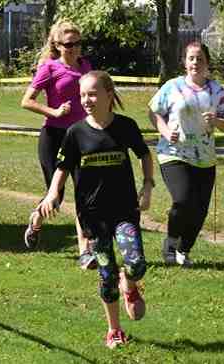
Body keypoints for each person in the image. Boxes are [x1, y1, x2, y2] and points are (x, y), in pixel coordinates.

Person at [38, 71, 154, 349]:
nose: (86, 100)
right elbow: (62, 168)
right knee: (106, 275)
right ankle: (114, 330)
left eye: (92, 94)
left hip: (125, 211)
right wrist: (53, 193)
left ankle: (131, 283)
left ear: (108, 94)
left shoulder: (126, 126)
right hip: (93, 217)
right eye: (82, 95)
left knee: (136, 263)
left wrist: (148, 186)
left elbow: (145, 155)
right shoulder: (75, 133)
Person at [148, 41, 224, 267]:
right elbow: (154, 112)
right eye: (191, 58)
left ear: (207, 62)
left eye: (200, 58)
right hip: (174, 152)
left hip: (205, 158)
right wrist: (166, 132)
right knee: (182, 199)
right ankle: (170, 246)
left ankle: (184, 250)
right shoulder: (172, 86)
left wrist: (216, 120)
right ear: (185, 62)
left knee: (199, 209)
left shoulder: (217, 90)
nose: (195, 62)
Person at [21, 20, 96, 269]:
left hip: (80, 138)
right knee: (57, 196)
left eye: (77, 43)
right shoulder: (49, 68)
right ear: (57, 44)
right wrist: (53, 111)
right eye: (69, 44)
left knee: (85, 194)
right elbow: (27, 101)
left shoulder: (86, 66)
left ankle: (85, 251)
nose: (74, 48)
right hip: (53, 137)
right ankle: (36, 222)